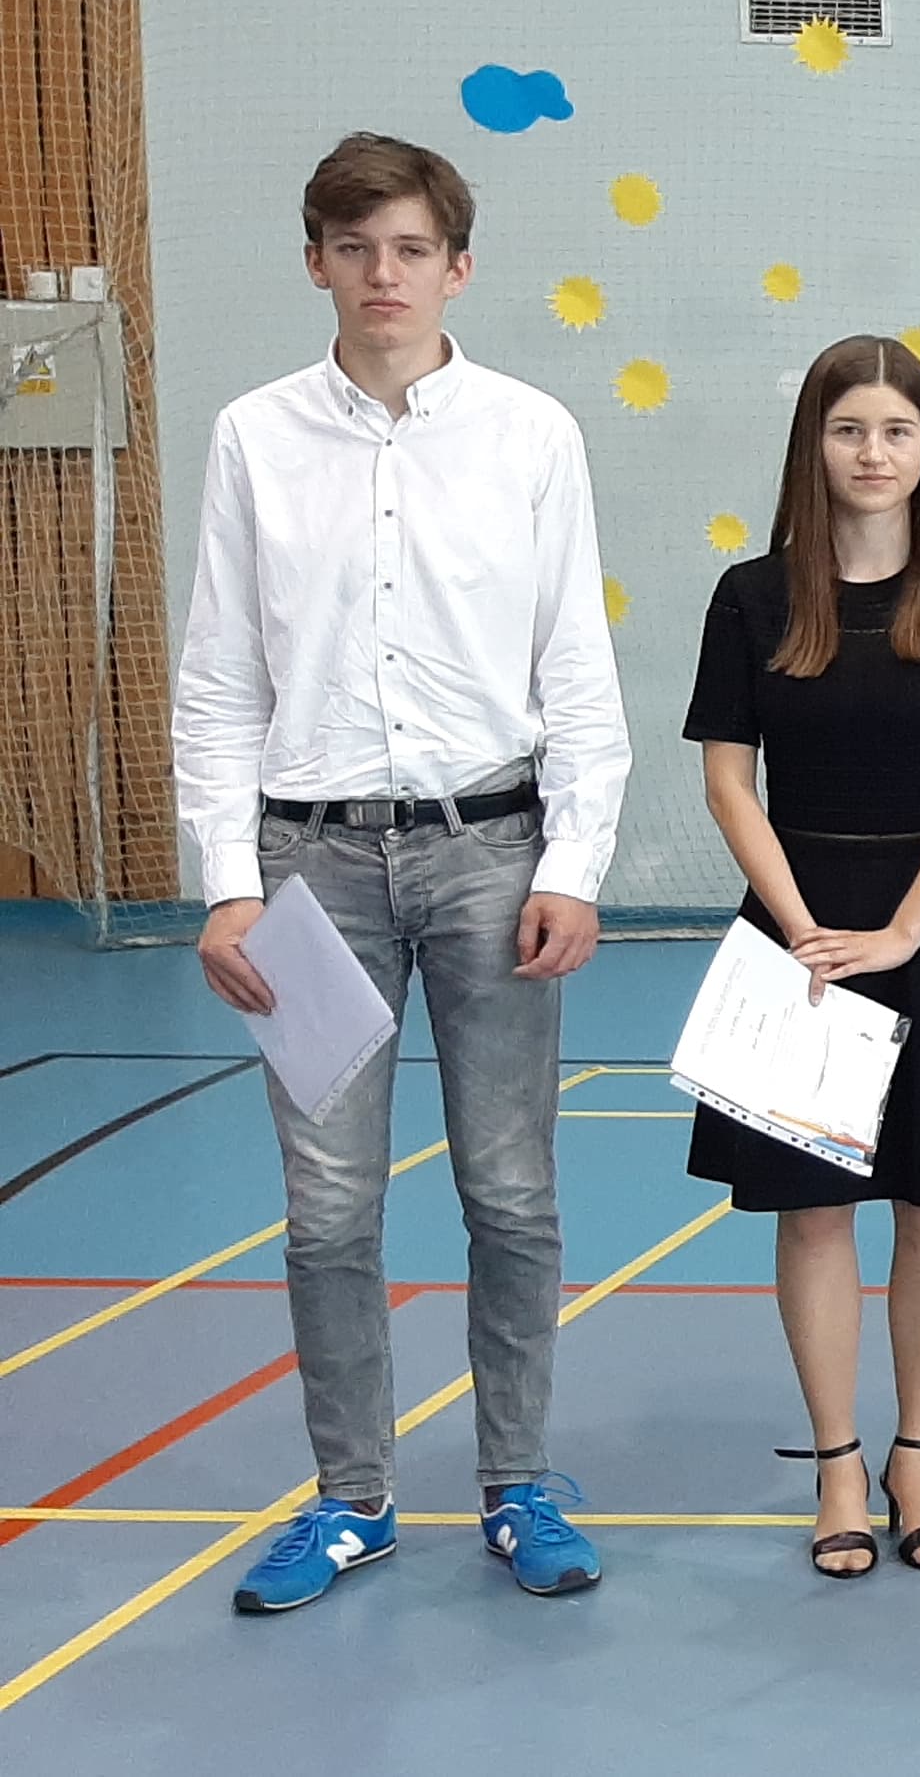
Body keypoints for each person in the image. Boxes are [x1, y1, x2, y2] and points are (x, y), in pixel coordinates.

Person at [174, 133, 629, 1612]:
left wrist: (574, 860)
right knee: (326, 1209)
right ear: (316, 261)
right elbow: (219, 678)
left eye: (413, 249)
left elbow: (576, 666)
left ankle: (516, 1484)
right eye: (356, 247)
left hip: (492, 855)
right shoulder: (254, 437)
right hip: (308, 871)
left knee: (511, 1191)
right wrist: (228, 880)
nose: (385, 274)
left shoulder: (531, 434)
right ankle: (351, 1499)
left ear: (458, 267)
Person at [686, 334, 920, 1577]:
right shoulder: (751, 598)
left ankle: (918, 1458)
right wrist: (798, 924)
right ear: (815, 444)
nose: (874, 453)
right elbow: (729, 781)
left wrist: (901, 932)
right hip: (796, 931)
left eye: (898, 431)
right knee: (812, 1215)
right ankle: (838, 1464)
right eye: (850, 429)